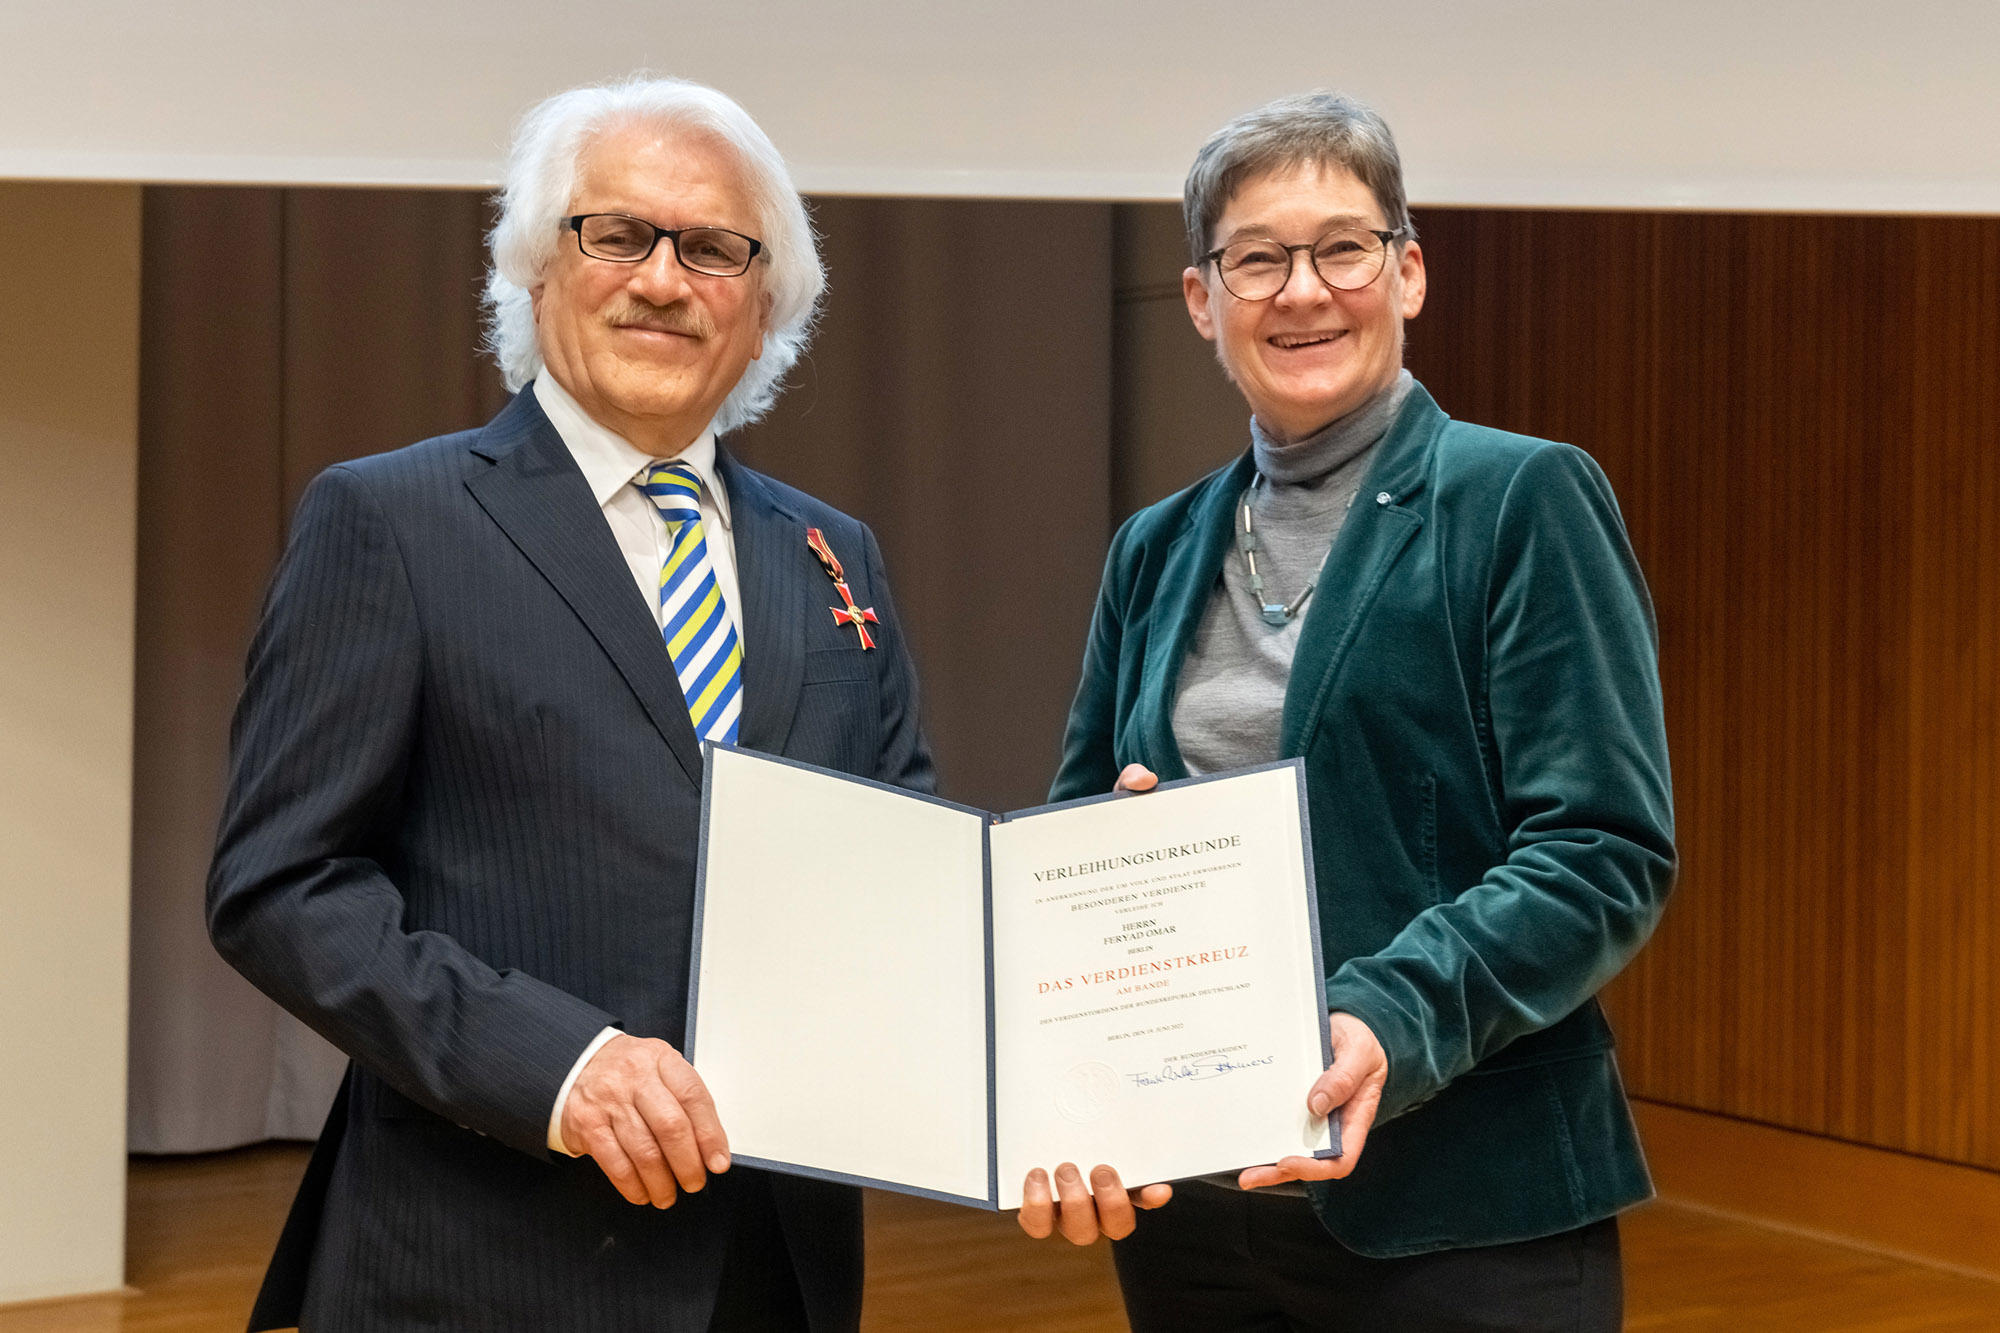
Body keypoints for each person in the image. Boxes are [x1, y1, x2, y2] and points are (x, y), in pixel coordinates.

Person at [207, 75, 932, 1332]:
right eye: (617, 234)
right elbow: (281, 887)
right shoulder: (389, 521)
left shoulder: (835, 554)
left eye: (711, 248)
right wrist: (559, 1066)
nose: (662, 280)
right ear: (535, 270)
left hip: (773, 1262)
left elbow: (900, 857)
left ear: (764, 308)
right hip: (482, 1262)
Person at [1016, 92, 1674, 1331]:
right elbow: (1073, 834)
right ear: (1201, 299)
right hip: (1197, 1216)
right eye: (1256, 259)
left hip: (1459, 1209)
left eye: (1342, 249)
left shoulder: (1519, 498)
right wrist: (1114, 860)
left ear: (1406, 272)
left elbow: (1602, 850)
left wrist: (1389, 1013)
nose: (1303, 291)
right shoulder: (1153, 548)